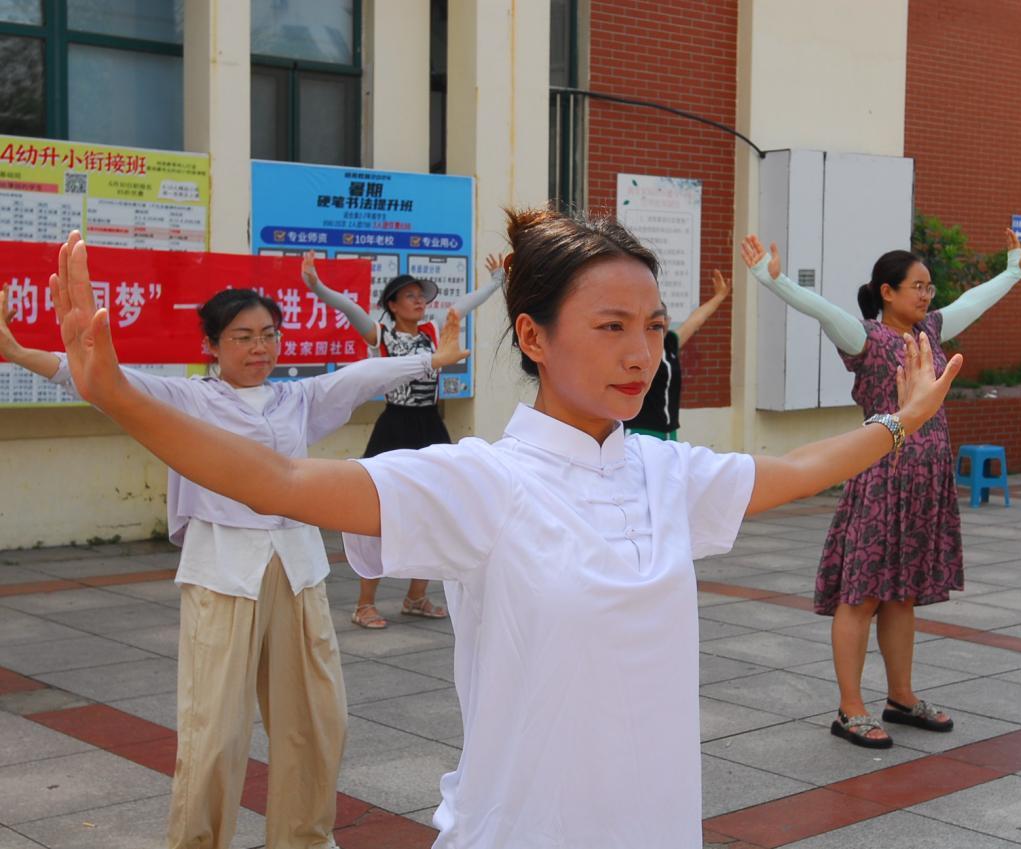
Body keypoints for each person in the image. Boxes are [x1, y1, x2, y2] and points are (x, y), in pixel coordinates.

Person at [51, 208, 960, 849]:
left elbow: (797, 471)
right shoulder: (482, 481)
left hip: (655, 824)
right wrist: (120, 395)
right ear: (533, 336)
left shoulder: (665, 470)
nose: (640, 350)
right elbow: (282, 478)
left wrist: (901, 422)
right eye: (609, 326)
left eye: (649, 325)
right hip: (522, 827)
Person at [2, 257, 468, 849]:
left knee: (315, 725)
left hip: (296, 571)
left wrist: (431, 358)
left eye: (269, 335)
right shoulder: (188, 399)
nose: (259, 349)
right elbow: (103, 380)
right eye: (243, 338)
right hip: (223, 573)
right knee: (214, 732)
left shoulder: (294, 401)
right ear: (212, 346)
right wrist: (18, 353)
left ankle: (303, 839)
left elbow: (358, 377)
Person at [741, 228, 1021, 749]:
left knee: (902, 598)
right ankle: (850, 709)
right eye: (916, 286)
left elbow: (973, 302)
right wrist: (771, 280)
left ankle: (901, 697)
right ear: (886, 291)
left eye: (929, 286)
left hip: (925, 487)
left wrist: (1012, 270)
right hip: (881, 482)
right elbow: (822, 310)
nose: (927, 294)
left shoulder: (933, 332)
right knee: (863, 597)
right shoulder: (868, 340)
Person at [300, 251, 504, 627]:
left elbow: (463, 305)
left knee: (434, 508)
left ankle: (416, 596)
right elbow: (349, 309)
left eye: (421, 296)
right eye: (410, 296)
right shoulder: (383, 334)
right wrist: (317, 286)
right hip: (395, 425)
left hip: (430, 426)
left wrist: (495, 282)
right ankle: (365, 604)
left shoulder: (435, 332)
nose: (419, 301)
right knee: (375, 512)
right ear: (392, 305)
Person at [624, 268, 732, 440]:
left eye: (662, 319)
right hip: (640, 429)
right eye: (652, 322)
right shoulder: (635, 348)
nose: (660, 324)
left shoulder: (670, 343)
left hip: (669, 430)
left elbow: (696, 320)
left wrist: (719, 297)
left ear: (668, 321)